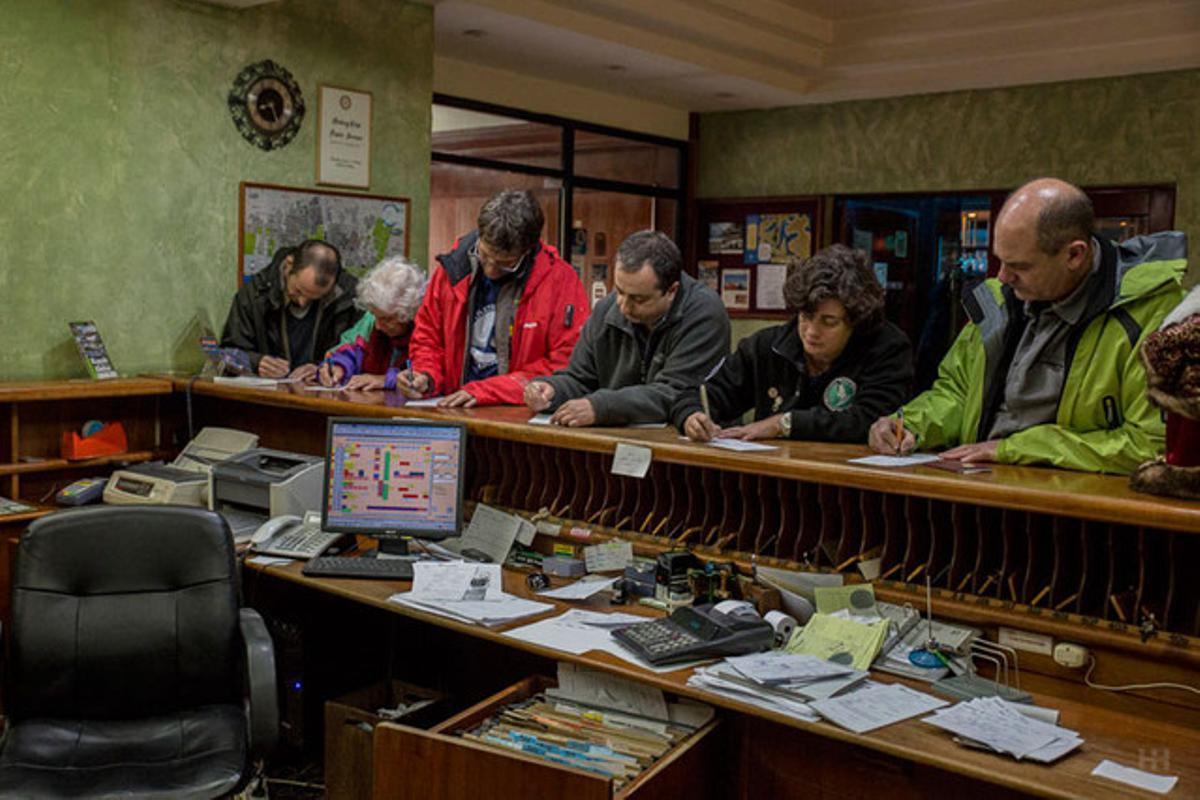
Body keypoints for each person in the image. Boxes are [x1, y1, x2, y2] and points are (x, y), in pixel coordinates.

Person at [868, 177, 1187, 474]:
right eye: (1000, 260)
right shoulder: (998, 301)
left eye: (1020, 266)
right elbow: (956, 393)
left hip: (1080, 515)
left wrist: (1017, 448)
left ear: (1074, 255)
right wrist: (908, 424)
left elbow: (1151, 445)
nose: (1003, 277)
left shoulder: (1155, 317)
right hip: (980, 497)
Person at [671, 244, 912, 442]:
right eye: (805, 316)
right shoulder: (766, 345)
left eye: (828, 322)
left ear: (856, 321)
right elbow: (702, 392)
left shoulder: (887, 348)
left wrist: (783, 423)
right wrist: (691, 415)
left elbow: (869, 420)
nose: (811, 331)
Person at [403, 190, 589, 407]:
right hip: (453, 409)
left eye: (504, 263)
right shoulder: (453, 270)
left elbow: (566, 364)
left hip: (516, 417)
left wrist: (490, 390)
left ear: (527, 251)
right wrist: (426, 375)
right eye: (484, 255)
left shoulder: (560, 281)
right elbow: (427, 337)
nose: (491, 269)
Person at [525, 231, 730, 427]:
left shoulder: (704, 313)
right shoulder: (607, 309)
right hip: (619, 440)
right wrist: (552, 389)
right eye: (619, 291)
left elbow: (676, 393)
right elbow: (580, 378)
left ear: (671, 291)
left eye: (638, 299)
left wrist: (602, 407)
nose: (623, 305)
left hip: (689, 444)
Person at [220, 239, 360, 381]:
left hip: (323, 397)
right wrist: (256, 362)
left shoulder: (348, 300)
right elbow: (227, 354)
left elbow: (358, 354)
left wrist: (324, 367)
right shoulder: (254, 295)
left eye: (315, 298)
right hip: (267, 396)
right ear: (288, 265)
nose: (302, 302)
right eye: (298, 291)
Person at [318, 256, 426, 390]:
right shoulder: (371, 320)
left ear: (409, 314)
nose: (378, 326)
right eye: (376, 316)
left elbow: (426, 374)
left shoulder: (425, 329)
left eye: (387, 319)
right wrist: (338, 366)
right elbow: (350, 350)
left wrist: (386, 380)